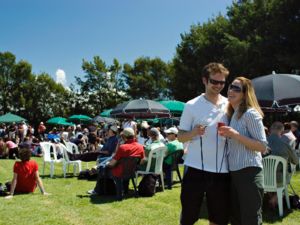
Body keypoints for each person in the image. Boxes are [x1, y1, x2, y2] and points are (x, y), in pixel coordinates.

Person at [178, 62, 230, 225]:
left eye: (222, 82)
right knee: (189, 215)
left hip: (222, 170)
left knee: (219, 217)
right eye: (214, 81)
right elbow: (180, 137)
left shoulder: (229, 104)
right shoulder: (191, 105)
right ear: (204, 81)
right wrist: (193, 132)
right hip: (195, 169)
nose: (218, 86)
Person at [218, 77, 268, 225]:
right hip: (235, 173)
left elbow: (262, 146)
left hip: (249, 173)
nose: (231, 90)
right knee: (237, 219)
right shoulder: (233, 115)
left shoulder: (250, 113)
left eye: (236, 88)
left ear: (245, 94)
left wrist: (235, 135)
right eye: (231, 86)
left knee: (250, 219)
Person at [87, 127, 145, 198]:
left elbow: (112, 164)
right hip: (132, 172)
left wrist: (107, 164)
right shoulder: (140, 147)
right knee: (106, 166)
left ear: (124, 136)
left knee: (103, 168)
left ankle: (98, 190)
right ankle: (124, 189)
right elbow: (142, 161)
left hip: (119, 173)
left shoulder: (123, 148)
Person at [266, 121, 299, 208]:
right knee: (287, 173)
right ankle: (275, 198)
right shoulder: (285, 145)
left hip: (262, 177)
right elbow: (296, 162)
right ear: (282, 131)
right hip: (279, 179)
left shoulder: (259, 144)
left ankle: (272, 197)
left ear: (270, 130)